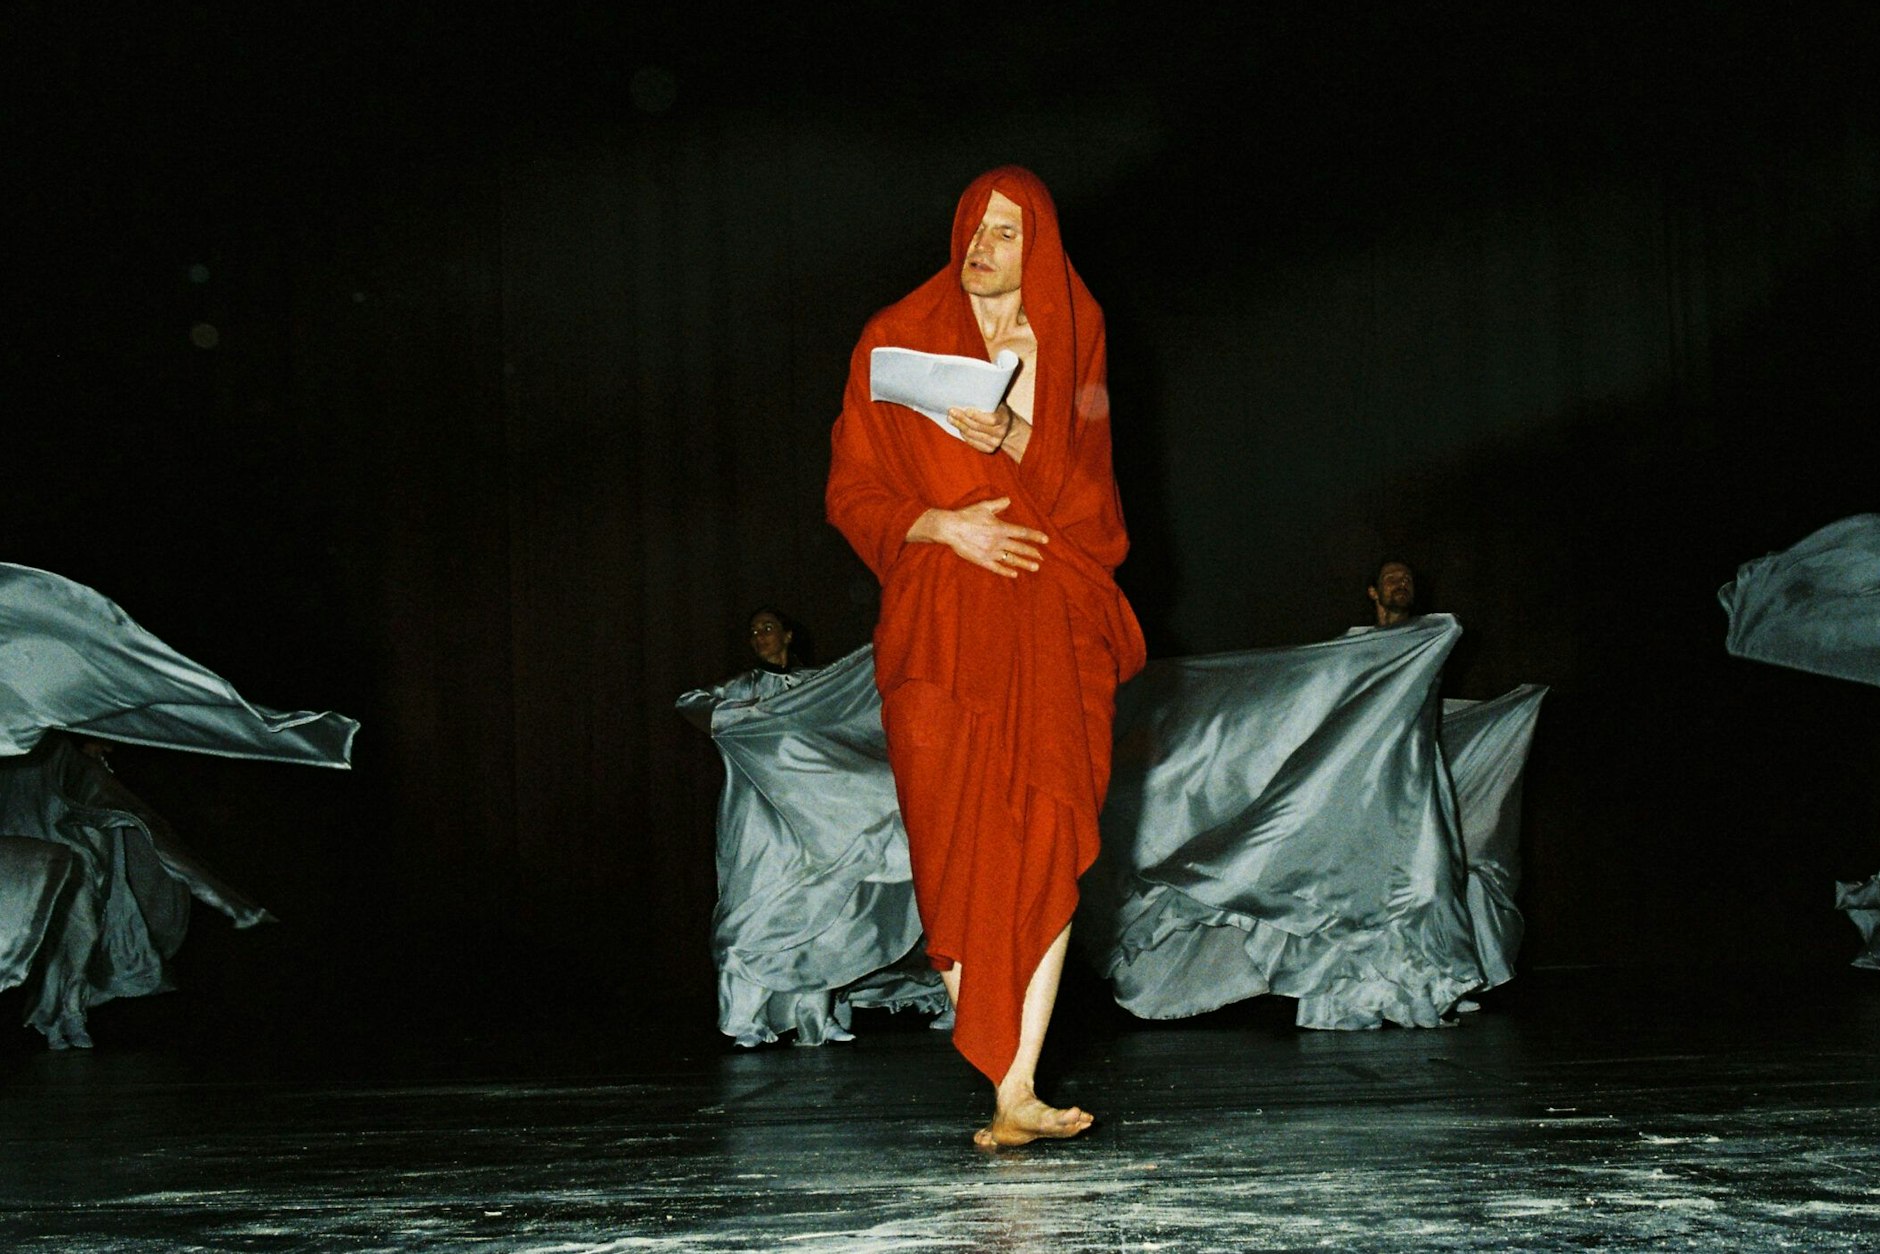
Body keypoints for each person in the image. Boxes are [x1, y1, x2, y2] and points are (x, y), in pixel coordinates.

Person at [826, 166, 1145, 1146]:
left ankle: (1015, 1092)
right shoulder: (893, 335)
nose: (982, 244)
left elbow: (1095, 516)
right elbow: (850, 491)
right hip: (937, 627)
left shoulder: (1071, 340)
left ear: (1037, 244)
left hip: (1049, 625)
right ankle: (993, 1053)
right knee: (949, 848)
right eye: (973, 225)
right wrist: (937, 526)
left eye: (1006, 232)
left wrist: (1011, 435)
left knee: (1047, 837)